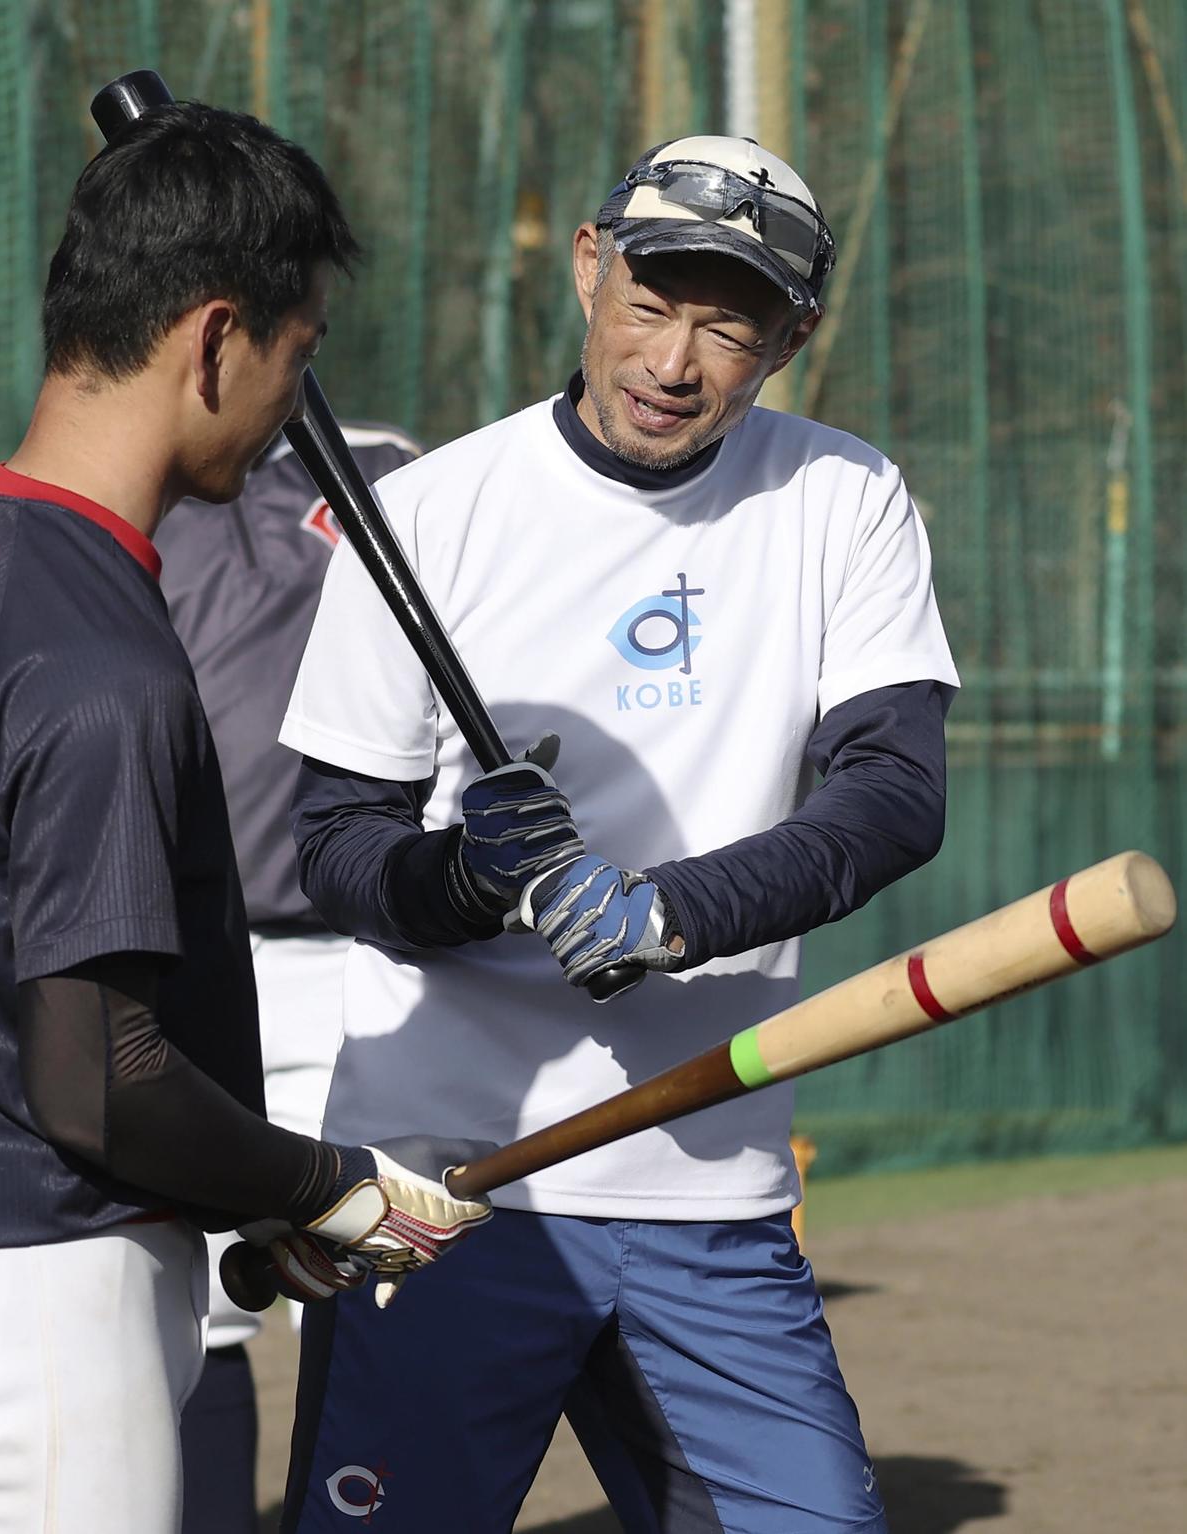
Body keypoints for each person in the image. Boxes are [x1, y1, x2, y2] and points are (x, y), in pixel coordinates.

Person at [277, 135, 960, 1533]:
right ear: (591, 268)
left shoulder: (845, 498)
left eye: (730, 326)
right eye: (651, 301)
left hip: (707, 1185)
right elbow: (337, 845)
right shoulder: (426, 513)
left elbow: (893, 791)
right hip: (444, 1182)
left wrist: (669, 913)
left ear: (790, 339)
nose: (674, 360)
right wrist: (463, 879)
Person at [0, 101, 489, 1534]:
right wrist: (327, 1182)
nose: (296, 398)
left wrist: (265, 1198)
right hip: (36, 1314)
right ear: (216, 338)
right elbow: (100, 1080)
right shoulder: (99, 662)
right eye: (298, 351)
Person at [155, 419, 421, 1534]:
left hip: (352, 959)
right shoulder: (135, 475)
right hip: (178, 958)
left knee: (361, 1289)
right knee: (198, 1307)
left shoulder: (382, 466)